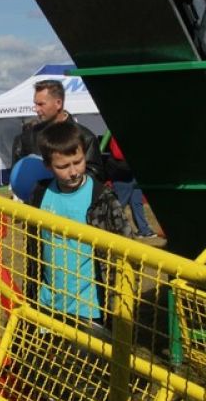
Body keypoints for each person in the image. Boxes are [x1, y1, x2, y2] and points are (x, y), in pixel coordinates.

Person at [25, 120, 132, 334]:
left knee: (89, 365)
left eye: (78, 161)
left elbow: (126, 250)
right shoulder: (39, 194)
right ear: (47, 165)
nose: (73, 171)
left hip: (89, 307)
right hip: (47, 303)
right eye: (63, 166)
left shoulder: (102, 198)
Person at [11, 79, 105, 181]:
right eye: (35, 104)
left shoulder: (86, 137)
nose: (36, 109)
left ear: (58, 103)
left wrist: (65, 183)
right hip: (37, 196)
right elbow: (18, 175)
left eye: (41, 104)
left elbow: (95, 175)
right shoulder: (26, 138)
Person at [106, 137, 159, 239]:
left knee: (137, 203)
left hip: (133, 174)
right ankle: (111, 229)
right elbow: (118, 154)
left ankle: (144, 230)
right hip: (122, 174)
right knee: (120, 204)